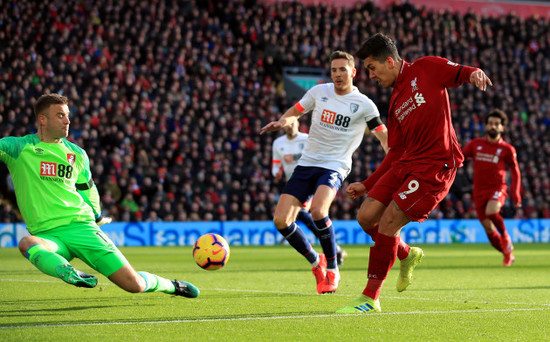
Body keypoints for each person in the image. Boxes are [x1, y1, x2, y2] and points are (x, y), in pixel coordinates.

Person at [337, 33, 493, 313]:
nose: (370, 75)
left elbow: (460, 72)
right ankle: (406, 254)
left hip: (435, 167)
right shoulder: (396, 103)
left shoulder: (426, 67)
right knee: (365, 217)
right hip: (406, 164)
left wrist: (475, 74)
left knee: (388, 223)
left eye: (372, 68)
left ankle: (370, 298)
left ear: (389, 61)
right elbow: (395, 151)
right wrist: (368, 184)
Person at [0, 94, 199, 298]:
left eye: (67, 115)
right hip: (47, 235)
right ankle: (67, 272)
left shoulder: (76, 154)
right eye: (60, 115)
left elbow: (88, 190)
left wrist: (96, 215)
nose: (67, 121)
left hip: (81, 227)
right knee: (27, 243)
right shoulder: (18, 147)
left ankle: (172, 285)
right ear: (42, 119)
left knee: (135, 285)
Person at [260, 51, 388, 294]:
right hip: (307, 163)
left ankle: (333, 268)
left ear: (353, 72)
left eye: (342, 69)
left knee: (319, 210)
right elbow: (294, 112)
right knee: (281, 220)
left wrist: (394, 152)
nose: (337, 74)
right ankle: (315, 261)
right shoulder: (319, 92)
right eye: (333, 70)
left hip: (334, 164)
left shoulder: (364, 104)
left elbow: (382, 135)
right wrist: (283, 122)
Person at [271, 120, 348, 265]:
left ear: (298, 123)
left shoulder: (307, 140)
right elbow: (275, 165)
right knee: (304, 217)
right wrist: (276, 173)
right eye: (286, 124)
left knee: (304, 213)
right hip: (294, 184)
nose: (289, 126)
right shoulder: (278, 143)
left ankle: (323, 257)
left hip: (312, 183)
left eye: (291, 123)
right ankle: (335, 249)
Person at [463, 109, 521, 266]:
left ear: (502, 127)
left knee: (492, 211)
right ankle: (507, 253)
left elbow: (515, 172)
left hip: (498, 188)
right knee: (488, 228)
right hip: (479, 191)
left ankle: (506, 237)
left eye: (496, 124)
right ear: (486, 126)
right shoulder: (475, 145)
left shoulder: (507, 149)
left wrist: (516, 194)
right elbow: (461, 158)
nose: (493, 126)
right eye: (490, 123)